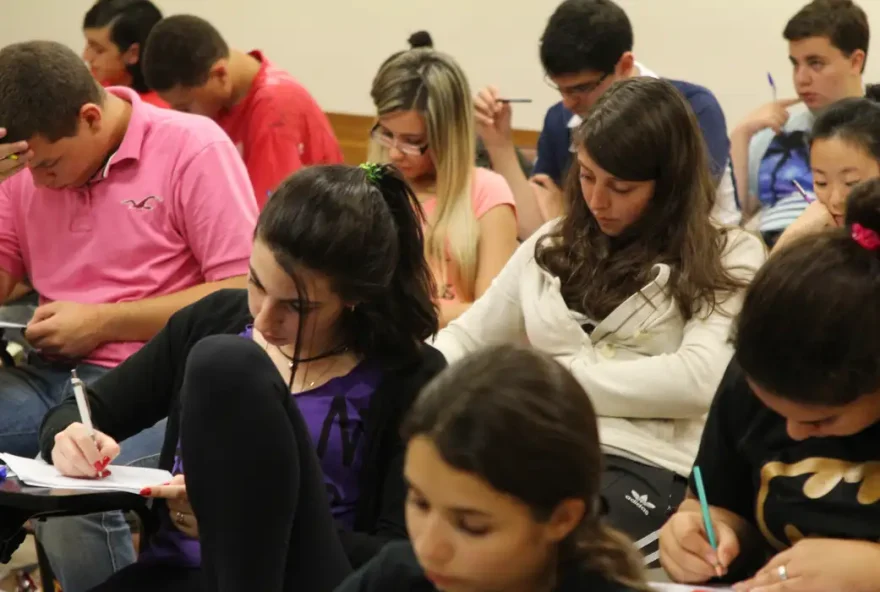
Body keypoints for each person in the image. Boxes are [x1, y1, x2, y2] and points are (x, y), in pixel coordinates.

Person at [39, 163, 446, 592]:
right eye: (255, 284)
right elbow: (82, 410)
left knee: (226, 363)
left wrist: (238, 521)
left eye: (297, 307)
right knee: (224, 356)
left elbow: (404, 559)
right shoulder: (214, 319)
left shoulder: (411, 377)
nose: (264, 320)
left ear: (356, 298)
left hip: (312, 580)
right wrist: (68, 439)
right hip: (176, 576)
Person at [432, 77, 766, 564]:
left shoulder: (730, 252)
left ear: (668, 184)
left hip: (650, 466)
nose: (597, 199)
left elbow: (699, 379)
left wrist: (549, 384)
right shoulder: (553, 242)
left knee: (547, 555)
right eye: (586, 176)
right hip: (535, 450)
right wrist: (410, 372)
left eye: (621, 187)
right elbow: (465, 337)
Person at [0, 40, 256, 590]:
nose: (36, 181)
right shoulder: (20, 169)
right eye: (26, 167)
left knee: (77, 494)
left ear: (91, 116)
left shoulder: (192, 147)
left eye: (47, 164)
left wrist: (102, 321)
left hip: (156, 383)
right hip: (48, 374)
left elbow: (241, 292)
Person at [658, 179, 880, 591]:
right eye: (776, 411)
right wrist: (702, 531)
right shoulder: (753, 374)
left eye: (821, 420)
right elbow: (723, 507)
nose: (792, 432)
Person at [336, 344, 650, 592]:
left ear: (561, 518)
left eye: (471, 526)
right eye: (419, 502)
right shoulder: (397, 576)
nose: (428, 549)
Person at [474, 0, 735, 238]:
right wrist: (499, 145)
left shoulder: (693, 108)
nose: (568, 102)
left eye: (581, 88)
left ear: (624, 65)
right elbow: (534, 231)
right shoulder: (560, 120)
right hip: (598, 265)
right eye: (560, 88)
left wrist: (564, 217)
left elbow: (681, 215)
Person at [369, 48, 518, 327]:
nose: (395, 154)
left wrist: (398, 316)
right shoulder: (370, 186)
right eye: (387, 134)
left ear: (447, 136)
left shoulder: (487, 193)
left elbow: (494, 317)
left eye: (412, 141)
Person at [142, 14, 344, 208]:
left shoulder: (275, 107)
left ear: (220, 74)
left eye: (185, 107)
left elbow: (268, 221)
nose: (183, 117)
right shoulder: (221, 100)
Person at [731, 0, 869, 247]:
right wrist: (742, 135)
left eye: (815, 63)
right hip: (772, 259)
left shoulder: (873, 131)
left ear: (855, 61)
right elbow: (732, 219)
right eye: (795, 64)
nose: (801, 78)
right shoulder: (773, 133)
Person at [772, 97, 880, 253]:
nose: (835, 200)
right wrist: (791, 240)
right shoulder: (817, 245)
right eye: (821, 182)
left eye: (851, 183)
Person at [82, 0, 167, 108]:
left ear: (132, 53)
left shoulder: (158, 112)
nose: (86, 56)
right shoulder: (90, 89)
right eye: (88, 45)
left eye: (99, 50)